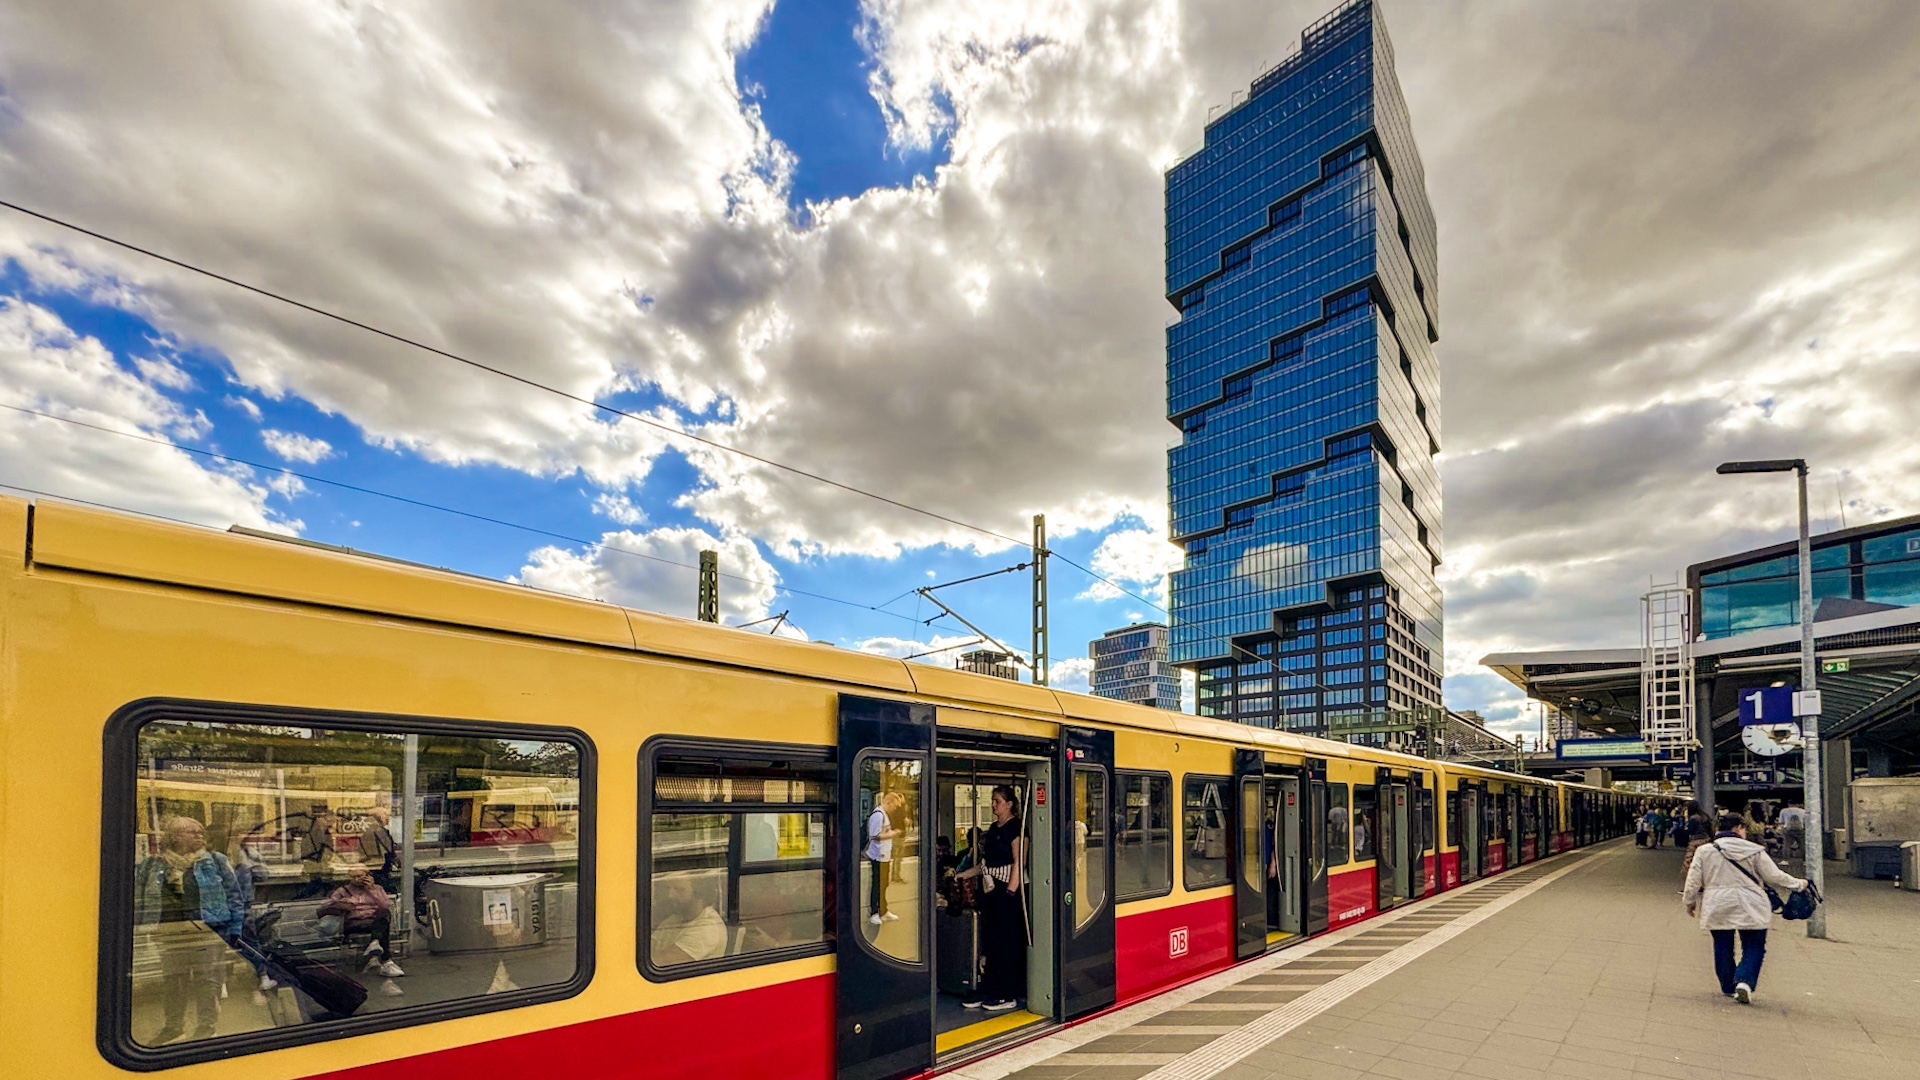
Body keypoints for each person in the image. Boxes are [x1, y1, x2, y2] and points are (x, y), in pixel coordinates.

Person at [134, 817, 247, 1044]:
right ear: (174, 836)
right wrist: (139, 929)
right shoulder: (153, 865)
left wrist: (235, 930)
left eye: (200, 832)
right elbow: (140, 898)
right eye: (192, 832)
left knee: (208, 981)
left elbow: (235, 897)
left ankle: (207, 1027)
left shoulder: (215, 861)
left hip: (207, 931)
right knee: (173, 981)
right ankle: (174, 1027)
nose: (199, 836)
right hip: (169, 932)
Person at [1683, 811, 1807, 1004]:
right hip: (1751, 901)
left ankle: (1727, 986)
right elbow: (1774, 876)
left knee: (1722, 945)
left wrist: (1689, 901)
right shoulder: (1754, 850)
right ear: (1738, 828)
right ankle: (1744, 982)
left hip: (1717, 902)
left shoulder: (1705, 851)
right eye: (1744, 829)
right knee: (1754, 946)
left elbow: (1693, 880)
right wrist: (1798, 884)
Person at [956, 785, 1026, 1013]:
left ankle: (1008, 992)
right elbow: (984, 864)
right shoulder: (993, 828)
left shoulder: (1016, 828)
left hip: (1008, 891)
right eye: (993, 801)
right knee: (991, 942)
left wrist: (1011, 892)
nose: (993, 805)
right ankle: (990, 987)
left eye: (997, 801)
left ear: (1009, 804)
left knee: (1007, 942)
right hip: (991, 891)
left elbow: (1019, 861)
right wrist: (963, 874)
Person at [318, 867, 405, 984]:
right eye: (354, 877)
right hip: (354, 922)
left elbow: (384, 904)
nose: (358, 879)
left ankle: (375, 944)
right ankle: (385, 960)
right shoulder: (342, 891)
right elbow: (327, 905)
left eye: (360, 876)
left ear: (367, 876)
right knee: (382, 929)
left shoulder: (377, 889)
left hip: (373, 921)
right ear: (349, 878)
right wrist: (346, 903)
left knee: (383, 914)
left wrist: (371, 889)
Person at [865, 791, 904, 926]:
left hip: (884, 855)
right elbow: (875, 835)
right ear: (888, 802)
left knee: (884, 884)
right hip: (877, 856)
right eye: (894, 806)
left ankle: (883, 910)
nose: (895, 809)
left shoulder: (883, 815)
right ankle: (874, 912)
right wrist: (893, 833)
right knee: (878, 884)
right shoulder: (878, 815)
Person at [360, 806, 399, 892]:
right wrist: (395, 858)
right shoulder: (377, 830)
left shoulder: (368, 828)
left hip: (376, 866)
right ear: (381, 816)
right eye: (387, 816)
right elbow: (388, 848)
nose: (389, 819)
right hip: (377, 866)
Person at [1680, 802, 1713, 878]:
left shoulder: (1693, 818)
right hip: (1706, 840)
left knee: (1689, 862)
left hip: (1696, 841)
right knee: (1705, 862)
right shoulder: (1705, 816)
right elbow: (1710, 830)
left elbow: (1690, 831)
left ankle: (1690, 881)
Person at [1777, 800, 1808, 867]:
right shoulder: (1803, 811)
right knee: (1802, 845)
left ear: (1788, 804)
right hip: (1800, 830)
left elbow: (1781, 822)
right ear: (1797, 804)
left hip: (1788, 830)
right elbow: (1805, 822)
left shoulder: (1784, 811)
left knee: (1786, 845)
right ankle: (1805, 861)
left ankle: (1785, 860)